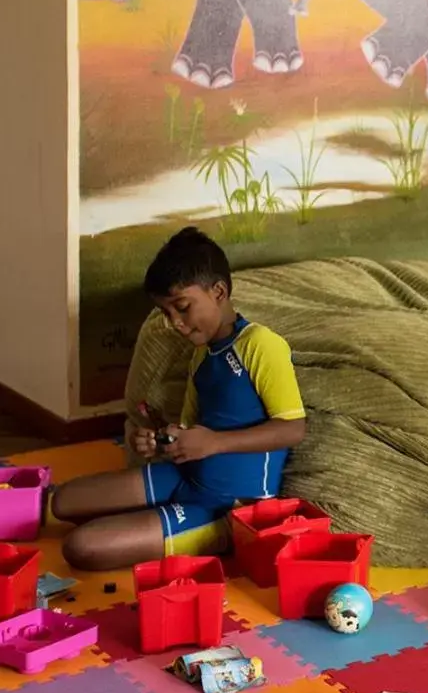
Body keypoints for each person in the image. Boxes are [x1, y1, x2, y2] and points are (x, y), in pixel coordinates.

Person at [53, 227, 307, 570]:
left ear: (218, 291)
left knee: (82, 547)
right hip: (184, 477)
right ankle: (151, 523)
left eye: (182, 307)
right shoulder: (202, 356)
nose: (175, 323)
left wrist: (214, 443)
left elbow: (293, 429)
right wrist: (157, 441)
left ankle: (201, 535)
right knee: (64, 502)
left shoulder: (260, 344)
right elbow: (188, 430)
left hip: (228, 507)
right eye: (166, 313)